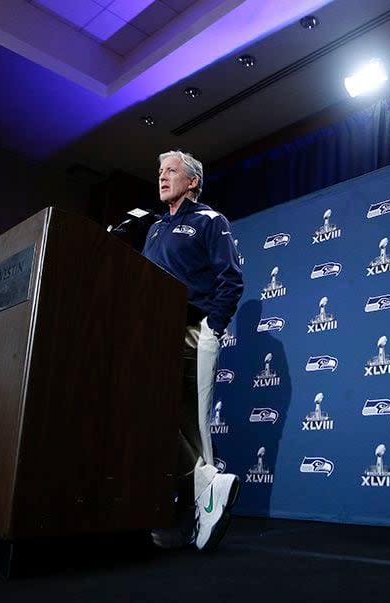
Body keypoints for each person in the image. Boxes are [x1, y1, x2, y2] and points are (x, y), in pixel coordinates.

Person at [141, 149, 244, 552]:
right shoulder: (153, 229)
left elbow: (231, 279)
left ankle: (189, 516)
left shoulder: (209, 220)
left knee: (181, 423)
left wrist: (210, 328)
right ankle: (206, 490)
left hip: (187, 332)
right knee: (160, 420)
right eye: (160, 171)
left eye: (171, 171)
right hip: (149, 334)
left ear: (192, 182)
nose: (163, 177)